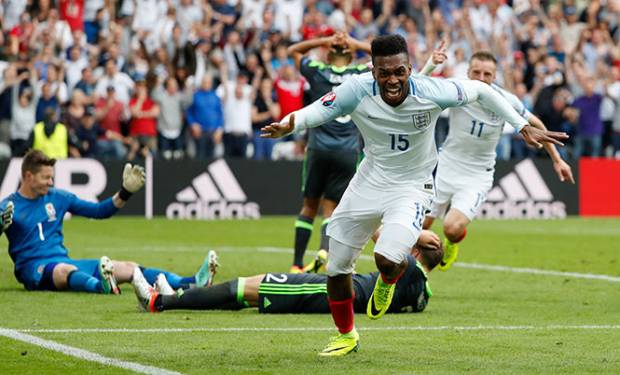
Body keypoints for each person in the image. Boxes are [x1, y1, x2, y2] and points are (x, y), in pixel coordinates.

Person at [261, 34, 567, 356]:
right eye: (384, 73)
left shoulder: (432, 91)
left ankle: (389, 280)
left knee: (387, 260)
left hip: (413, 187)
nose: (392, 80)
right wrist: (288, 124)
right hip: (368, 181)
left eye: (399, 72)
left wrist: (520, 126)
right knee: (336, 268)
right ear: (373, 71)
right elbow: (320, 109)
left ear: (409, 68)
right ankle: (346, 334)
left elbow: (480, 90)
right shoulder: (357, 88)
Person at [420, 49, 575, 271]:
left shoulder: (505, 99)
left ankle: (452, 243)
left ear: (495, 77)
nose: (481, 79)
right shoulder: (455, 90)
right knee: (421, 227)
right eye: (476, 73)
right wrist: (431, 64)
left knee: (451, 228)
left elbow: (537, 125)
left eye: (487, 74)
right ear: (467, 72)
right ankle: (416, 273)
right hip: (446, 167)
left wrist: (557, 160)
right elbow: (420, 89)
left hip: (478, 175)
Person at [0, 150, 217, 294]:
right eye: (46, 177)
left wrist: (125, 192)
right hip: (34, 270)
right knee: (62, 270)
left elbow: (99, 211)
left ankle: (190, 282)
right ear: (28, 176)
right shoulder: (8, 206)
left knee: (129, 268)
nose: (51, 181)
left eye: (51, 176)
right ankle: (101, 287)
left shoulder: (59, 197)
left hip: (66, 262)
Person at [132, 230, 442, 315]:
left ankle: (160, 302)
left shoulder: (410, 266)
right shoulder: (422, 295)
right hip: (342, 293)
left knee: (248, 286)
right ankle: (176, 297)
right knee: (244, 296)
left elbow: (382, 238)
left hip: (328, 293)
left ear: (415, 252)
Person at [286, 32, 371, 273]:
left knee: (309, 206)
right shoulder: (359, 74)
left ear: (328, 53)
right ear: (351, 54)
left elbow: (294, 50)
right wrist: (355, 42)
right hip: (346, 151)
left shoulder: (317, 70)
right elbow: (387, 56)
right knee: (331, 208)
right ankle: (324, 249)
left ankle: (295, 264)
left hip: (319, 148)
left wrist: (322, 41)